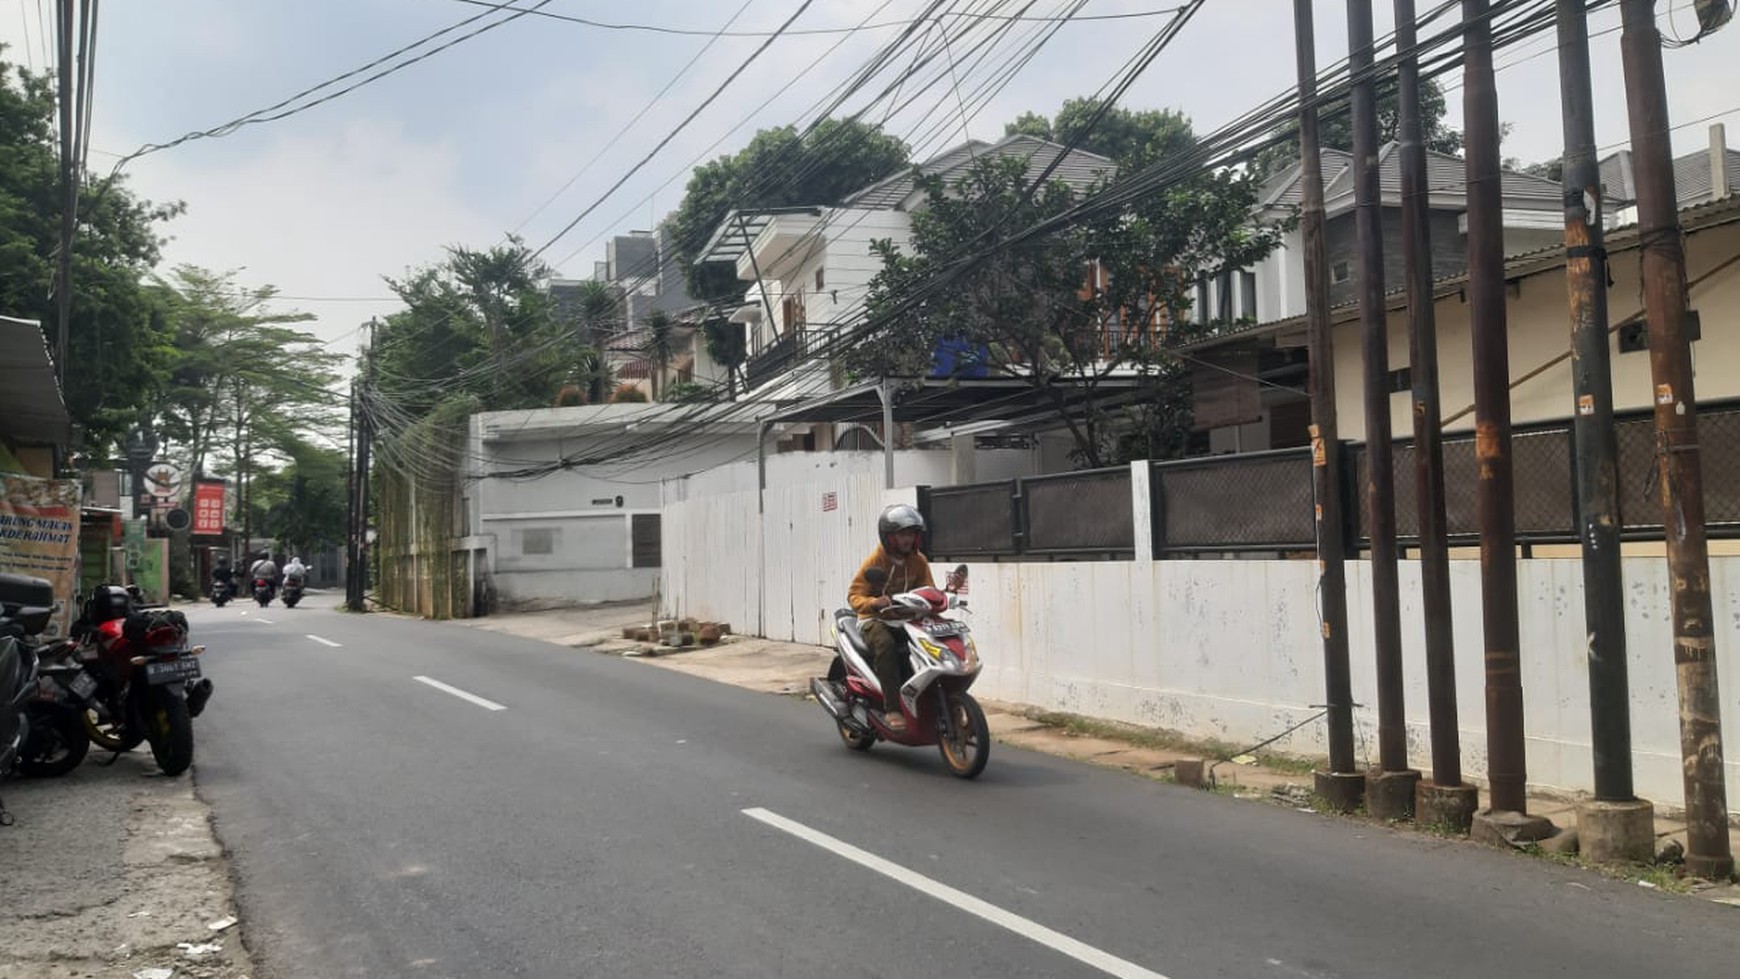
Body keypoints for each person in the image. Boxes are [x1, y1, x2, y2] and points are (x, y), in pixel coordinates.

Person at [846, 504, 934, 733]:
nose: (908, 540)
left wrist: (939, 599)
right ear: (889, 537)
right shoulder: (875, 561)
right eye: (903, 535)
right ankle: (892, 708)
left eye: (912, 534)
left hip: (905, 618)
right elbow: (854, 595)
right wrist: (874, 602)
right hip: (874, 619)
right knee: (886, 645)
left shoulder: (919, 561)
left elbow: (929, 589)